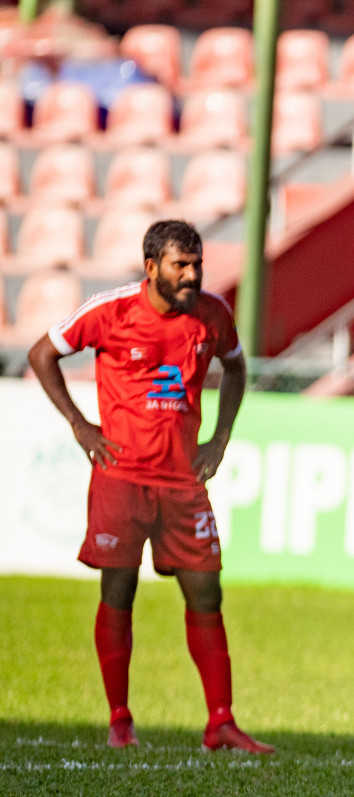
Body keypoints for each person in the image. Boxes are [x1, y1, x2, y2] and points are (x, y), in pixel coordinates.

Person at [27, 219, 272, 753]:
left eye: (197, 264)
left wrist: (220, 437)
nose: (192, 274)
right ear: (151, 267)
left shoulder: (213, 314)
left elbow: (235, 368)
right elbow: (41, 354)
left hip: (184, 482)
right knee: (119, 591)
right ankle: (120, 721)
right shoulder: (110, 311)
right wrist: (79, 423)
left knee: (207, 592)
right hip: (121, 478)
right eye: (180, 264)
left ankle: (221, 723)